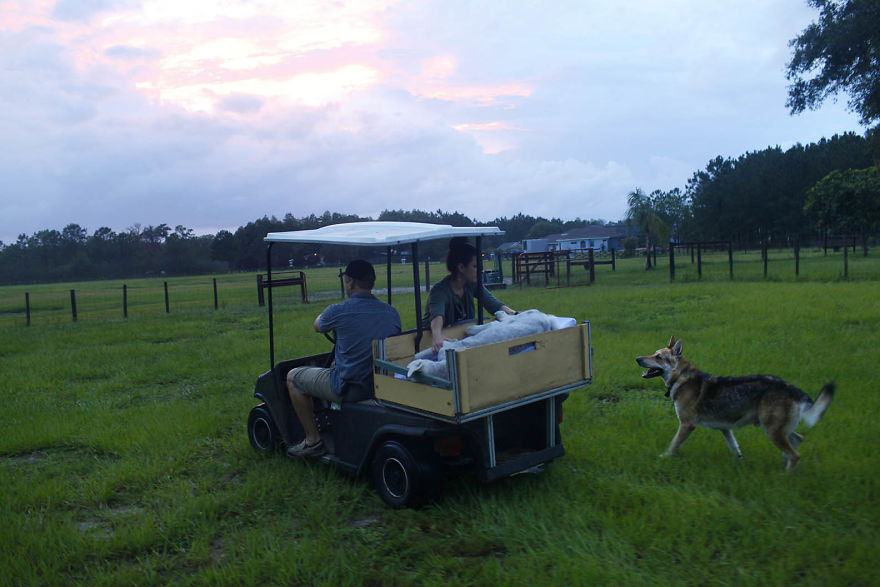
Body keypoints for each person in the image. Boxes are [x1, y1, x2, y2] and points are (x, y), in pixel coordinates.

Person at [286, 259, 401, 458]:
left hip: (349, 387)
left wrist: (327, 313)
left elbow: (318, 326)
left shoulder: (337, 311)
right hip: (381, 384)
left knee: (293, 377)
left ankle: (313, 440)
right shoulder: (392, 313)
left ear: (350, 283)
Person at [424, 237, 516, 353]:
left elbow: (493, 304)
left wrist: (514, 314)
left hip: (462, 342)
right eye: (475, 266)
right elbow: (437, 316)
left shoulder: (472, 284)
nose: (480, 270)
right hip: (436, 345)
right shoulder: (439, 290)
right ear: (461, 267)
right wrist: (437, 336)